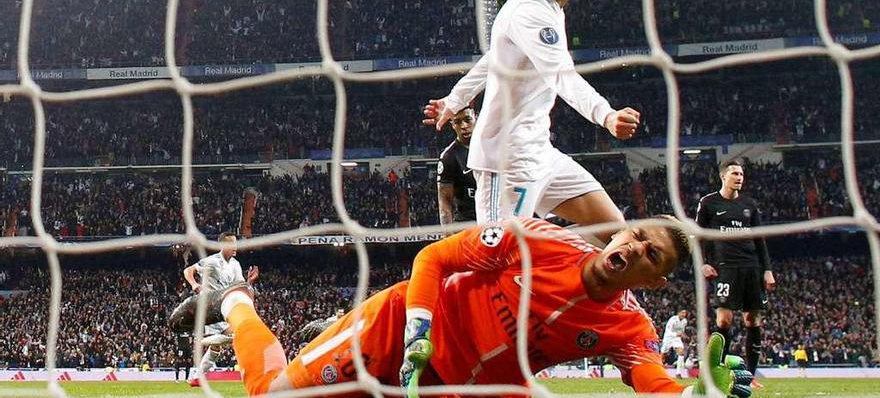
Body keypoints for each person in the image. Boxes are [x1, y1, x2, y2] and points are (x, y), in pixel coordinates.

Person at [173, 217, 752, 397]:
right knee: (270, 395)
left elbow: (650, 376)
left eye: (650, 255)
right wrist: (420, 325)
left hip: (461, 387)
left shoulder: (629, 325)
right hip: (399, 330)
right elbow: (433, 259)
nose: (633, 248)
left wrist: (694, 394)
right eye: (634, 235)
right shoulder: (537, 240)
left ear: (653, 282)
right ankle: (234, 298)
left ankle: (329, 329)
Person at [423, 0, 640, 238]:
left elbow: (492, 60)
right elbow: (562, 77)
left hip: (541, 152)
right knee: (501, 259)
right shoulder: (531, 10)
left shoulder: (550, 6)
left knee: (614, 233)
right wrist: (606, 115)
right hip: (507, 162)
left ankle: (552, 273)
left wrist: (454, 99)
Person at [696, 158, 776, 388]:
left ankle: (749, 377)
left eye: (741, 174)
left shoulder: (750, 204)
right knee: (724, 319)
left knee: (752, 320)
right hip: (726, 268)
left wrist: (767, 270)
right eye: (734, 174)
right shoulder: (709, 203)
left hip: (752, 267)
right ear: (723, 176)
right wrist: (702, 263)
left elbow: (760, 240)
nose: (739, 178)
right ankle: (718, 370)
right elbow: (697, 235)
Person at [179, 231, 259, 386]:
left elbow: (240, 287)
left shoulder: (235, 264)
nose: (235, 246)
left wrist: (250, 281)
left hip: (226, 307)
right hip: (212, 307)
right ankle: (201, 342)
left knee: (217, 348)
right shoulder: (212, 261)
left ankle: (197, 377)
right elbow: (188, 271)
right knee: (237, 335)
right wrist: (195, 284)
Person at [437, 107, 478, 225]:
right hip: (467, 223)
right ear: (452, 125)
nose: (463, 126)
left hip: (495, 218)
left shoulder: (490, 146)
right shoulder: (449, 156)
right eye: (457, 122)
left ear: (476, 118)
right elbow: (445, 201)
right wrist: (447, 234)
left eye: (467, 120)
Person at [661, 309, 689, 379]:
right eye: (682, 312)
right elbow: (668, 331)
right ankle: (658, 369)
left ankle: (678, 373)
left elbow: (681, 331)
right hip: (668, 337)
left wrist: (683, 335)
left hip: (676, 339)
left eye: (685, 313)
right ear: (678, 313)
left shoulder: (685, 321)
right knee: (663, 355)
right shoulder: (672, 320)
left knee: (681, 353)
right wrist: (676, 334)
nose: (684, 314)